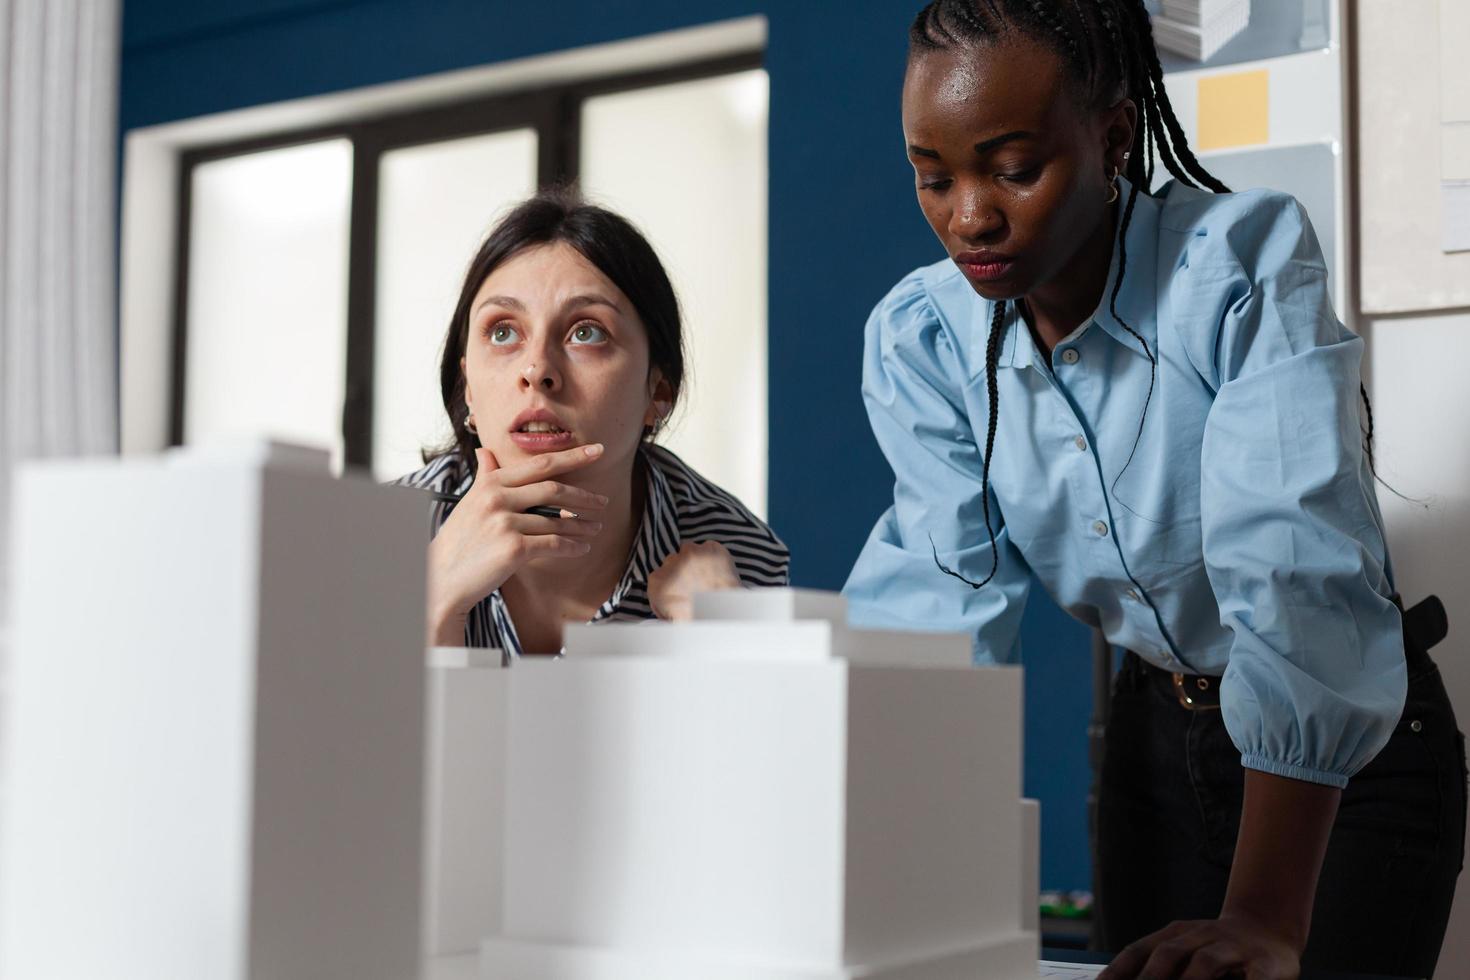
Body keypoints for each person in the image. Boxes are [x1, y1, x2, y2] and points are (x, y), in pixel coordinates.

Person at [842, 2, 1465, 977]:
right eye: (934, 176)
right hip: (1152, 746)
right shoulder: (925, 341)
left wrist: (1264, 913)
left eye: (1012, 168)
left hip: (1349, 754)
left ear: (1115, 135)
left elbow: (1292, 576)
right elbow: (938, 620)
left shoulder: (1236, 267)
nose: (969, 216)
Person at [399, 190, 787, 653]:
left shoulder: (735, 553)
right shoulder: (378, 535)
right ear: (468, 391)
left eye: (587, 332)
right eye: (503, 332)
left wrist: (729, 635)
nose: (537, 369)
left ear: (657, 392)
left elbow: (769, 725)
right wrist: (433, 603)